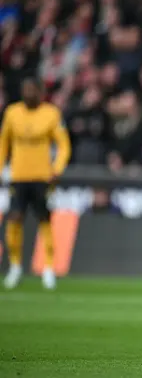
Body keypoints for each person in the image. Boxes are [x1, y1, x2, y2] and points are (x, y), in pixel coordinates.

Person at [1, 77, 71, 290]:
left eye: (32, 90)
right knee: (15, 218)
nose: (28, 93)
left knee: (44, 219)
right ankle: (15, 266)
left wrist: (56, 169)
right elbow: (3, 143)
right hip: (18, 176)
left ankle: (48, 268)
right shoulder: (13, 113)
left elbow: (64, 145)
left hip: (42, 177)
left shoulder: (51, 114)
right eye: (25, 89)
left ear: (41, 92)